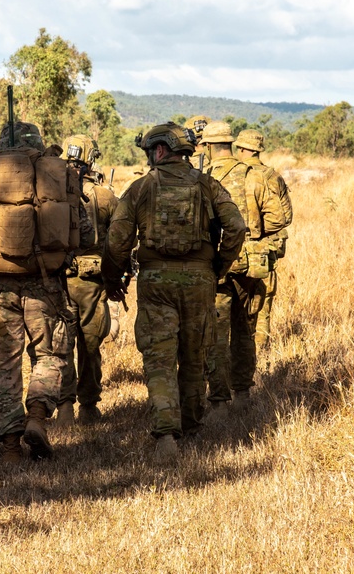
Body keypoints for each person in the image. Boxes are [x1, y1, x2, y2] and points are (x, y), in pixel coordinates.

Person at [101, 122, 246, 464]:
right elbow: (237, 227)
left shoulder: (140, 188)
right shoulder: (208, 184)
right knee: (194, 354)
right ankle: (192, 426)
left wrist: (113, 278)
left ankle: (166, 435)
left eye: (151, 152)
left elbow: (117, 240)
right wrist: (218, 267)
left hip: (155, 283)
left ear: (160, 150)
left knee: (160, 357)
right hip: (200, 282)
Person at [0, 121, 91, 462]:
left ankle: (11, 448)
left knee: (3, 364)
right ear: (38, 144)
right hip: (45, 283)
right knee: (50, 355)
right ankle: (38, 418)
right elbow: (85, 235)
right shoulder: (55, 177)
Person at [200, 122, 290, 413]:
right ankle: (243, 395)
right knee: (245, 332)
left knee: (216, 333)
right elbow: (277, 220)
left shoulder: (205, 179)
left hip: (219, 265)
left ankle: (218, 401)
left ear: (210, 147)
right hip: (252, 264)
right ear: (231, 145)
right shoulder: (255, 175)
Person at [55, 134, 119, 427]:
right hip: (93, 281)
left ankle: (65, 406)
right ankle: (88, 406)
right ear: (91, 160)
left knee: (62, 344)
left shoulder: (50, 191)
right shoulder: (104, 196)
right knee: (90, 344)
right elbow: (121, 239)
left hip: (60, 278)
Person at [233, 128, 294, 353]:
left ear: (241, 148)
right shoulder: (271, 176)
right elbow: (284, 217)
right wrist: (260, 231)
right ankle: (261, 352)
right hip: (265, 252)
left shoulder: (237, 175)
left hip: (236, 252)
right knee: (263, 303)